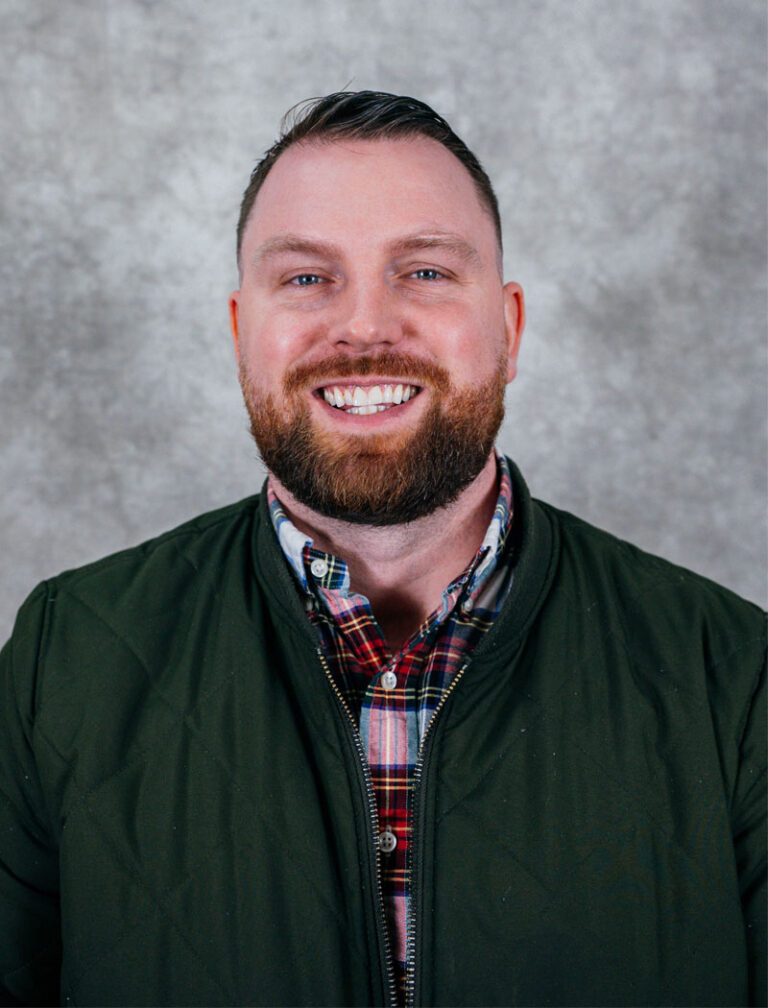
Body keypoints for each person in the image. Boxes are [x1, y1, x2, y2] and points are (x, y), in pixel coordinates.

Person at [0, 91, 764, 1008]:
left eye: (427, 273)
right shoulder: (66, 659)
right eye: (308, 278)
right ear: (243, 334)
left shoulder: (733, 679)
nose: (364, 329)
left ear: (510, 329)